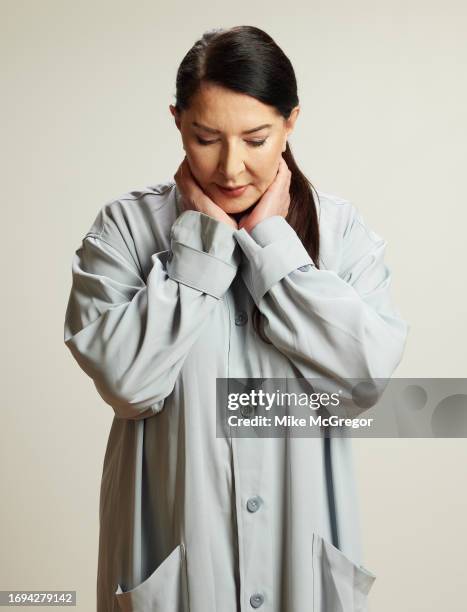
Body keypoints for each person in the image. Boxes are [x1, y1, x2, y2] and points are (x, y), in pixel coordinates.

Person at [64, 25, 409, 612]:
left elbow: (364, 380)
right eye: (206, 137)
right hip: (175, 569)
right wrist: (199, 252)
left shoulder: (341, 233)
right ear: (177, 121)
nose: (231, 167)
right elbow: (128, 383)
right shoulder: (124, 230)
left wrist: (273, 247)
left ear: (291, 122)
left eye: (256, 138)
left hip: (302, 563)